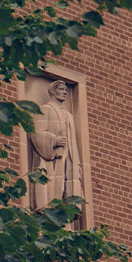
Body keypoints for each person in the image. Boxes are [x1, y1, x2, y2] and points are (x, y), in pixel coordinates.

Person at [28, 79, 83, 212]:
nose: (65, 92)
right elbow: (36, 133)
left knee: (67, 190)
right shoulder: (45, 109)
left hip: (68, 160)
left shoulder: (69, 116)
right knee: (52, 191)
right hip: (52, 159)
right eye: (61, 89)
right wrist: (54, 140)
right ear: (53, 91)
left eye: (65, 90)